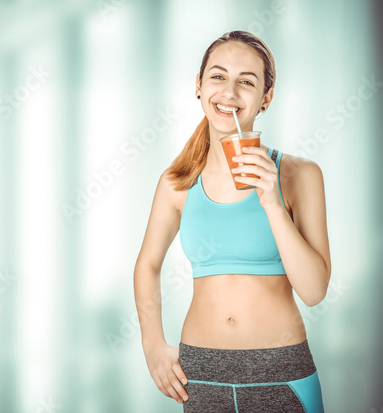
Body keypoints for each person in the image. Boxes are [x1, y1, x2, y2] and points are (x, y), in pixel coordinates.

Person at [133, 31, 331, 412]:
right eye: (218, 77)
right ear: (199, 86)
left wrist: (272, 202)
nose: (229, 92)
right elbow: (148, 264)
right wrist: (152, 345)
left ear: (265, 98)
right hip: (200, 375)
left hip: (280, 372)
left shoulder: (299, 175)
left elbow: (314, 290)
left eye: (246, 82)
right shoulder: (177, 182)